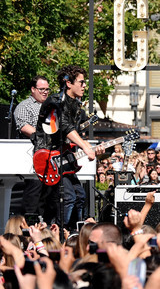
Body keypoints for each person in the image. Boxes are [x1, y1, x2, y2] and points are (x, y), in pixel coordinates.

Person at [33, 65, 104, 228]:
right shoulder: (55, 101)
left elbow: (75, 132)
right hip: (49, 156)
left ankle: (74, 234)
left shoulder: (77, 107)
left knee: (80, 196)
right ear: (68, 83)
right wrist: (85, 147)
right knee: (69, 198)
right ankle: (58, 233)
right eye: (81, 82)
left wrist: (92, 147)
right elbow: (64, 126)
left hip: (64, 157)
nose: (84, 86)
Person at [14, 75, 50, 216]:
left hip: (51, 156)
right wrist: (47, 136)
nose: (45, 92)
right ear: (33, 89)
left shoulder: (52, 106)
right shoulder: (24, 106)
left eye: (47, 89)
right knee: (34, 191)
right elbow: (24, 126)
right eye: (41, 89)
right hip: (32, 157)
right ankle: (27, 227)